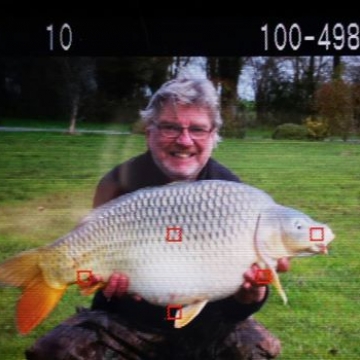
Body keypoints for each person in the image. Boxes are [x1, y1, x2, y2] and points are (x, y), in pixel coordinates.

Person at [26, 75, 288, 360]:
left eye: (198, 129)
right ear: (149, 131)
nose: (184, 140)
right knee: (55, 351)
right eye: (170, 127)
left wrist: (252, 296)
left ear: (213, 136)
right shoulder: (117, 183)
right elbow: (101, 281)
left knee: (259, 349)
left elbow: (236, 306)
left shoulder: (233, 193)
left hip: (209, 322)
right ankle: (48, 273)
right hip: (129, 322)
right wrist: (113, 289)